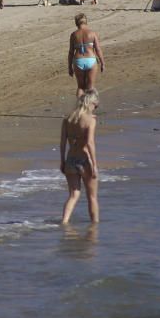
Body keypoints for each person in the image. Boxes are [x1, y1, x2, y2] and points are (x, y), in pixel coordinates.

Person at [60, 90, 99, 224]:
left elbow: (63, 142)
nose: (96, 108)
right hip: (84, 160)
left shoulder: (68, 118)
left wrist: (62, 161)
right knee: (92, 197)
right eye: (96, 105)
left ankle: (64, 222)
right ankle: (94, 228)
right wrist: (94, 165)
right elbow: (89, 143)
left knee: (73, 195)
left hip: (70, 159)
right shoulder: (90, 121)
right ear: (91, 104)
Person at [68, 12, 105, 96]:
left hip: (78, 61)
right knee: (90, 87)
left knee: (80, 87)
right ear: (86, 22)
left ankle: (80, 106)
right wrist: (102, 63)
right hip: (91, 60)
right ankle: (90, 107)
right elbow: (98, 49)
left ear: (76, 23)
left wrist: (69, 67)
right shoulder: (92, 33)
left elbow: (71, 52)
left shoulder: (74, 35)